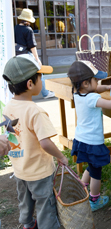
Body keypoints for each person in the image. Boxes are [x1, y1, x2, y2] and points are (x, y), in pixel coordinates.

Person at [2, 54, 69, 229]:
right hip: (40, 172)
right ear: (30, 84)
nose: (42, 80)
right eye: (40, 77)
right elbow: (45, 143)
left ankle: (27, 224)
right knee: (45, 205)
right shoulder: (36, 111)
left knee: (25, 201)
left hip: (20, 169)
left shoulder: (9, 106)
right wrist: (61, 157)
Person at [67, 60, 111, 211]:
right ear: (86, 84)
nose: (98, 82)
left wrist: (106, 87)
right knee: (96, 172)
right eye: (96, 80)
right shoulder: (92, 98)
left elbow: (95, 89)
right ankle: (95, 199)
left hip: (81, 139)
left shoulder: (77, 93)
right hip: (93, 142)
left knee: (90, 165)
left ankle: (83, 188)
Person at [15, 8, 55, 99]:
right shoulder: (28, 30)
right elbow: (32, 46)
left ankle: (23, 94)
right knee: (38, 73)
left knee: (23, 76)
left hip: (18, 56)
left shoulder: (16, 27)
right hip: (27, 55)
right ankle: (45, 93)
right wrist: (37, 59)